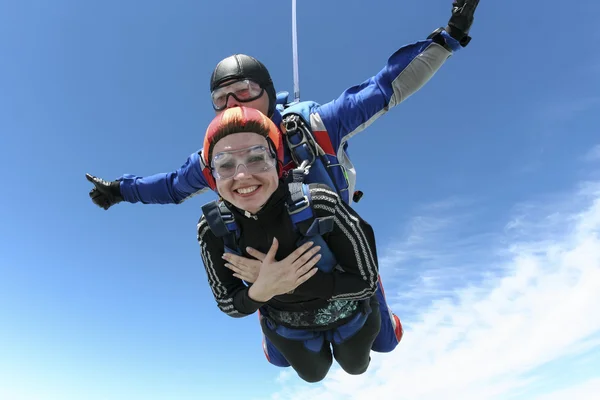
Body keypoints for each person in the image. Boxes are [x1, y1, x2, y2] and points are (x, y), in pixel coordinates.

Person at [86, 0, 481, 208]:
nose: (233, 105)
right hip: (274, 261)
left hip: (335, 237)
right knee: (298, 361)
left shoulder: (315, 125)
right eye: (220, 100)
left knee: (371, 348)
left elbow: (383, 88)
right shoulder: (216, 158)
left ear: (268, 92)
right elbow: (172, 186)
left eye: (243, 91)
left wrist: (449, 37)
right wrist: (121, 190)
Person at [197, 106, 382, 383]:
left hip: (346, 310)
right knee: (314, 375)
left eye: (257, 158)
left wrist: (282, 284)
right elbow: (227, 302)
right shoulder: (213, 229)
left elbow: (368, 282)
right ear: (213, 175)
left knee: (357, 366)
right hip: (287, 321)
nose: (243, 176)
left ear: (276, 162)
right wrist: (261, 291)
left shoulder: (318, 202)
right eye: (225, 164)